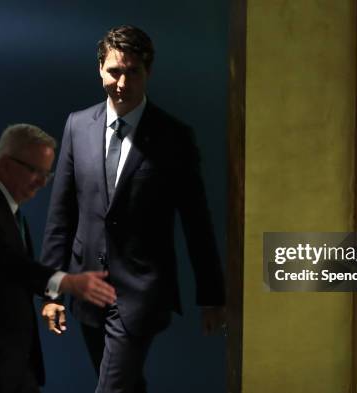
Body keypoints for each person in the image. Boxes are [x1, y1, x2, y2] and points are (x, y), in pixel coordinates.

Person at [40, 25, 226, 392]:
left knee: (112, 388)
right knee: (126, 386)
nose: (122, 82)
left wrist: (211, 296)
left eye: (132, 72)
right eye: (114, 71)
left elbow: (196, 222)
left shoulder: (174, 137)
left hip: (142, 292)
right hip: (87, 288)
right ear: (100, 70)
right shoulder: (78, 126)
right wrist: (52, 291)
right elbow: (61, 216)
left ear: (148, 72)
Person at [0, 124, 116, 393]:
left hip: (6, 366)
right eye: (35, 172)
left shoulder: (8, 211)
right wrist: (66, 283)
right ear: (6, 165)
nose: (42, 182)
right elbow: (6, 264)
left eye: (46, 175)